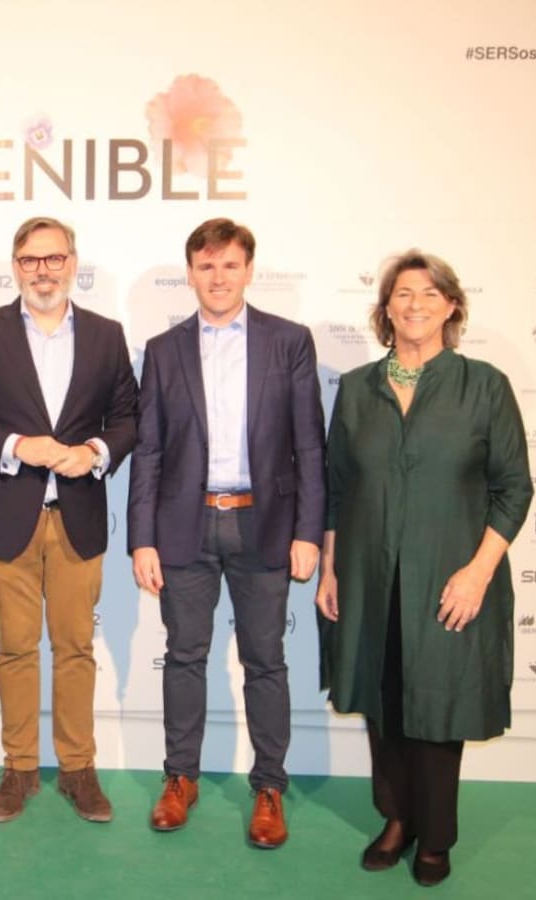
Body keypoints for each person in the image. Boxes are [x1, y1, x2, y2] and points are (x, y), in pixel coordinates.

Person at [316, 250, 532, 886]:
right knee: (384, 702)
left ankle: (435, 837)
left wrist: (478, 573)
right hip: (369, 576)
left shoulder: (483, 385)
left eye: (430, 294)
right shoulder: (357, 388)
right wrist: (330, 569)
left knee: (439, 708)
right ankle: (396, 818)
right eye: (403, 294)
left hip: (450, 580)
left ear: (452, 306)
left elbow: (514, 489)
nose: (415, 305)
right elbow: (336, 488)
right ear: (385, 309)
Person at [128, 218, 325, 847]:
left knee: (265, 661)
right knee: (185, 656)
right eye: (206, 266)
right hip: (183, 525)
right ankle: (180, 778)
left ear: (249, 270)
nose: (218, 277)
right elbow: (149, 451)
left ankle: (269, 787)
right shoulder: (163, 350)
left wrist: (309, 532)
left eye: (230, 265)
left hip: (264, 523)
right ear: (190, 273)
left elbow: (309, 446)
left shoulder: (289, 342)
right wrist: (142, 538)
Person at [0, 216, 137, 824]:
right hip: (7, 516)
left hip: (78, 516)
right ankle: (19, 769)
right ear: (15, 266)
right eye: (30, 260)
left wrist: (95, 452)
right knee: (16, 648)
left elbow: (129, 418)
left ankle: (78, 769)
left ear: (72, 263)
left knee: (76, 648)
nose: (43, 270)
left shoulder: (106, 335)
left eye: (54, 259)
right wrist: (16, 446)